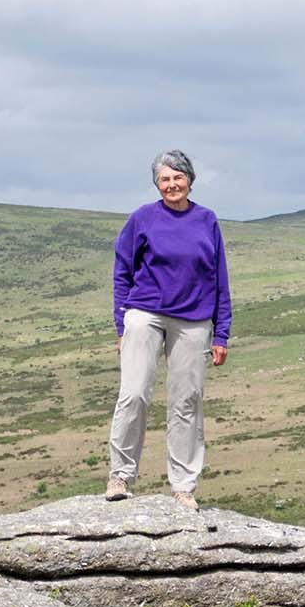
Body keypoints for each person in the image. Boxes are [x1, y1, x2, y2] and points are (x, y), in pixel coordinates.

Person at [106, 150, 231, 509]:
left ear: (190, 180)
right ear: (156, 184)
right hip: (145, 312)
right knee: (133, 394)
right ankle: (120, 475)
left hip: (193, 319)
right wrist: (121, 324)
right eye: (165, 179)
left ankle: (183, 486)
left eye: (178, 177)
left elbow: (219, 279)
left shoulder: (207, 220)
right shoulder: (142, 219)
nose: (172, 184)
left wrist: (221, 333)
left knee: (187, 401)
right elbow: (122, 272)